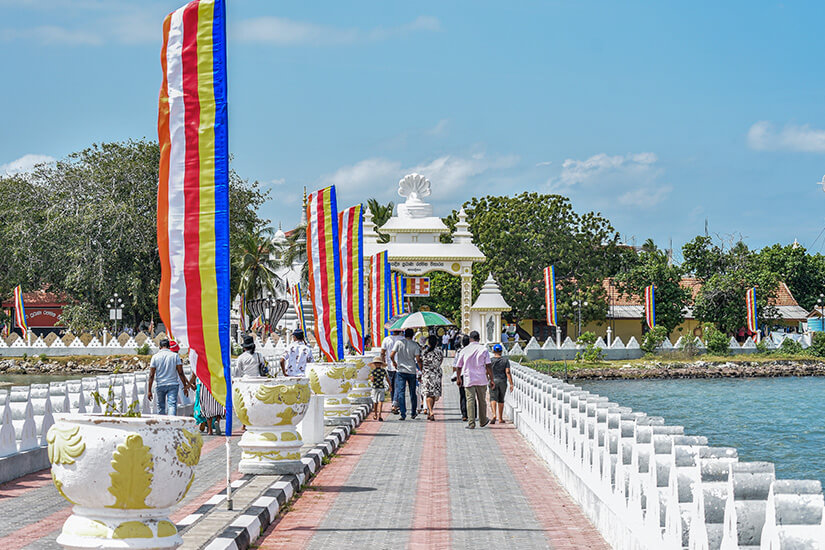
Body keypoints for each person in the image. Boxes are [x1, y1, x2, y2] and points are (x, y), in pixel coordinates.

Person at [455, 331, 494, 429]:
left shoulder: (464, 350)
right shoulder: (483, 349)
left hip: (469, 378)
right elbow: (488, 365)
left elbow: (459, 366)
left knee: (470, 400)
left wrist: (458, 378)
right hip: (481, 378)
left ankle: (471, 423)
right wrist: (492, 379)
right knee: (482, 401)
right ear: (479, 339)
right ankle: (483, 420)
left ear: (470, 339)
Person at [147, 338, 189, 415]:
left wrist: (149, 390)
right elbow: (180, 372)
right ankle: (172, 423)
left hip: (160, 384)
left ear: (159, 347)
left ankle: (162, 424)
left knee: (161, 406)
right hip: (173, 384)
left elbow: (151, 375)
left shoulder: (155, 357)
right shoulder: (175, 356)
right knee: (172, 405)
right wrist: (185, 386)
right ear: (169, 346)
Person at [389, 328, 422, 420]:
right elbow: (418, 359)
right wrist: (421, 369)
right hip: (411, 371)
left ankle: (403, 413)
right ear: (412, 335)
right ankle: (413, 412)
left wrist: (394, 362)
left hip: (401, 370)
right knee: (412, 392)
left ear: (404, 334)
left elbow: (391, 355)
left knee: (401, 392)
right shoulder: (415, 345)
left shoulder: (399, 343)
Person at [189, 370, 225, 435]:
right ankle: (217, 421)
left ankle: (210, 430)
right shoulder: (216, 361)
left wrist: (189, 383)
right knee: (218, 405)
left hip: (203, 384)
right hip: (216, 383)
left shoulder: (200, 362)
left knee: (207, 407)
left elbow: (195, 373)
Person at [421, 334, 444, 421]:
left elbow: (421, 361)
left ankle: (430, 411)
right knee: (433, 394)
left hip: (427, 374)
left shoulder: (425, 352)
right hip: (436, 374)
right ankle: (431, 411)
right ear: (437, 342)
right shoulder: (439, 351)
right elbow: (441, 361)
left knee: (428, 393)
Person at [489, 344, 513, 424]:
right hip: (502, 381)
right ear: (501, 351)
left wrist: (487, 379)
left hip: (493, 380)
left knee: (493, 398)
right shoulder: (505, 360)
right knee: (501, 399)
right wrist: (511, 383)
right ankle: (500, 418)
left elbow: (487, 371)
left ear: (493, 351)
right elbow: (507, 372)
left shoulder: (491, 360)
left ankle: (494, 415)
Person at [381, 329, 403, 413]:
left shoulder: (386, 339)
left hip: (389, 365)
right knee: (397, 385)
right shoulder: (402, 339)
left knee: (391, 386)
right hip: (399, 364)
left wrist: (383, 362)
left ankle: (394, 403)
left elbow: (382, 352)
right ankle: (395, 404)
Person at [452, 334, 470, 421]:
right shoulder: (473, 351)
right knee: (471, 395)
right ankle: (473, 414)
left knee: (463, 395)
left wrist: (456, 376)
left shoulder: (459, 351)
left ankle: (464, 414)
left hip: (462, 375)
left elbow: (455, 365)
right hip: (471, 375)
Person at [368, 357, 391, 421]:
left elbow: (372, 380)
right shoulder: (383, 371)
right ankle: (380, 414)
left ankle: (375, 414)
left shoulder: (373, 371)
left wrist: (371, 378)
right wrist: (390, 386)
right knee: (381, 401)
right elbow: (387, 379)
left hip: (375, 387)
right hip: (381, 387)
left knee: (375, 401)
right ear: (381, 364)